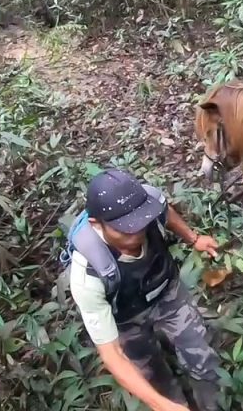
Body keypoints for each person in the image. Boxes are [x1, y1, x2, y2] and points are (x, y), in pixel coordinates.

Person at [62, 168, 223, 411]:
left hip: (166, 290)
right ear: (97, 224)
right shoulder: (88, 274)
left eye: (141, 221)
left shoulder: (148, 205)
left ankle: (214, 405)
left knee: (201, 354)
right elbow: (113, 354)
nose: (136, 232)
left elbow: (164, 211)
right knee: (153, 377)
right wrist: (162, 406)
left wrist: (193, 238)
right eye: (125, 228)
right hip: (126, 318)